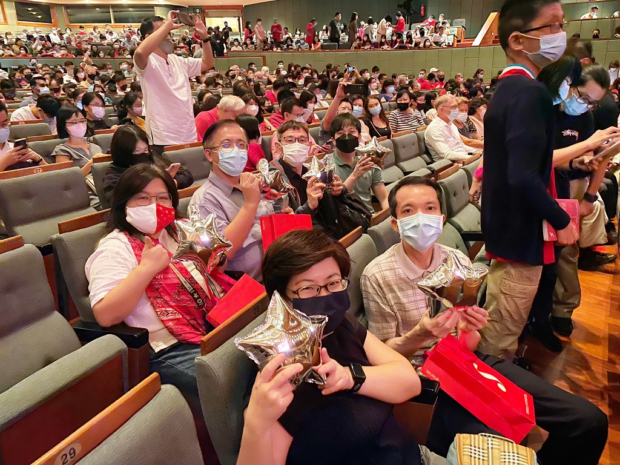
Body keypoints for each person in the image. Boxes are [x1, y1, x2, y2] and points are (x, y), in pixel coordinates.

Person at [360, 176, 609, 464]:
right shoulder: (377, 275)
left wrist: (469, 328)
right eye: (408, 211)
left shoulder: (457, 262)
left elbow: (469, 342)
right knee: (502, 449)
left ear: (441, 218)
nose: (421, 218)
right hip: (420, 380)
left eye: (429, 208)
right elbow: (381, 358)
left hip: (465, 363)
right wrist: (419, 335)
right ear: (394, 223)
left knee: (588, 421)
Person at [238, 228, 443, 465]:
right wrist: (256, 423)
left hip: (414, 455)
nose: (324, 295)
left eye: (333, 282)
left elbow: (409, 382)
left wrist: (349, 377)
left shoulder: (342, 324)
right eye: (307, 287)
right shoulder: (283, 368)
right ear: (281, 298)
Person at [86, 164, 227, 442]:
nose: (154, 205)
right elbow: (105, 314)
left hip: (211, 327)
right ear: (124, 204)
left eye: (162, 198)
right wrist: (146, 269)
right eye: (142, 198)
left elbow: (214, 266)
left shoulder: (180, 231)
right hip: (167, 349)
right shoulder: (116, 247)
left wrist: (214, 258)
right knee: (237, 381)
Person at [478, 0, 579, 359]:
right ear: (518, 40)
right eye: (551, 26)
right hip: (519, 235)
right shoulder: (530, 92)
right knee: (500, 338)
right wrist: (561, 219)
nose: (560, 35)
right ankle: (491, 408)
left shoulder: (509, 88)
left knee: (502, 325)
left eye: (561, 25)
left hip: (508, 229)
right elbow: (522, 176)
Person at [190, 120, 277, 281]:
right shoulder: (204, 199)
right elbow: (222, 253)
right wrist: (250, 204)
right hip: (248, 286)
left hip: (277, 270)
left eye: (241, 145)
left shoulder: (249, 184)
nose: (236, 151)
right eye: (226, 145)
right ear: (209, 154)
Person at [134, 12, 213, 153]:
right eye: (164, 30)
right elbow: (140, 52)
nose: (169, 35)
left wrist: (205, 38)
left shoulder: (178, 60)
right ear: (149, 37)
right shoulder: (147, 62)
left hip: (188, 132)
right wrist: (168, 25)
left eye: (170, 32)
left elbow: (207, 63)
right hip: (162, 136)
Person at [103, 125, 193, 203]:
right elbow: (115, 201)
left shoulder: (151, 157)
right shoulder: (114, 173)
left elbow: (187, 175)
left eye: (145, 149)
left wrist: (173, 182)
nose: (143, 154)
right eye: (137, 151)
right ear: (123, 152)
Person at [330, 113, 387, 214]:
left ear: (359, 137)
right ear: (333, 140)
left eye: (351, 132)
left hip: (368, 216)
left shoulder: (370, 160)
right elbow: (333, 201)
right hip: (343, 219)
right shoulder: (327, 166)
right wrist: (355, 175)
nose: (346, 136)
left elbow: (383, 197)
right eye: (340, 133)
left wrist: (388, 216)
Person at [424, 95, 477, 162]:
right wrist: (470, 158)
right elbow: (447, 154)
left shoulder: (451, 124)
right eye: (453, 107)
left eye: (456, 107)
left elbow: (461, 146)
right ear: (442, 110)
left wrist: (478, 152)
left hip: (463, 159)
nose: (456, 110)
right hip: (450, 165)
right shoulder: (434, 128)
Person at [0, 101, 45, 171]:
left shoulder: (15, 149)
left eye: (4, 124)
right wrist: (4, 162)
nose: (2, 129)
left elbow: (52, 176)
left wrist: (38, 159)